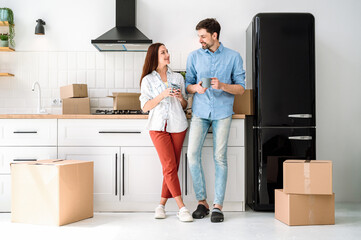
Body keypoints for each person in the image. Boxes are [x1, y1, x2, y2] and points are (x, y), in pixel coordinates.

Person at [185, 18, 246, 223]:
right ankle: (202, 202)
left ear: (214, 36)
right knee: (192, 155)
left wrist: (222, 86)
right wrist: (196, 88)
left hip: (222, 113)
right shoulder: (193, 57)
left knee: (220, 158)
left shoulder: (234, 57)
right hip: (200, 112)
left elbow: (241, 88)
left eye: (203, 36)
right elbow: (187, 85)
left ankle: (218, 206)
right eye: (199, 36)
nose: (200, 40)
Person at [139, 43, 193, 222]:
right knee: (169, 166)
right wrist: (162, 94)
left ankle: (161, 205)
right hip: (157, 127)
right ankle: (182, 208)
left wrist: (180, 98)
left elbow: (185, 105)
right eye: (163, 52)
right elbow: (145, 107)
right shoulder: (147, 80)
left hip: (178, 125)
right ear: (155, 56)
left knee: (172, 168)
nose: (167, 54)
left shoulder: (178, 77)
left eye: (167, 51)